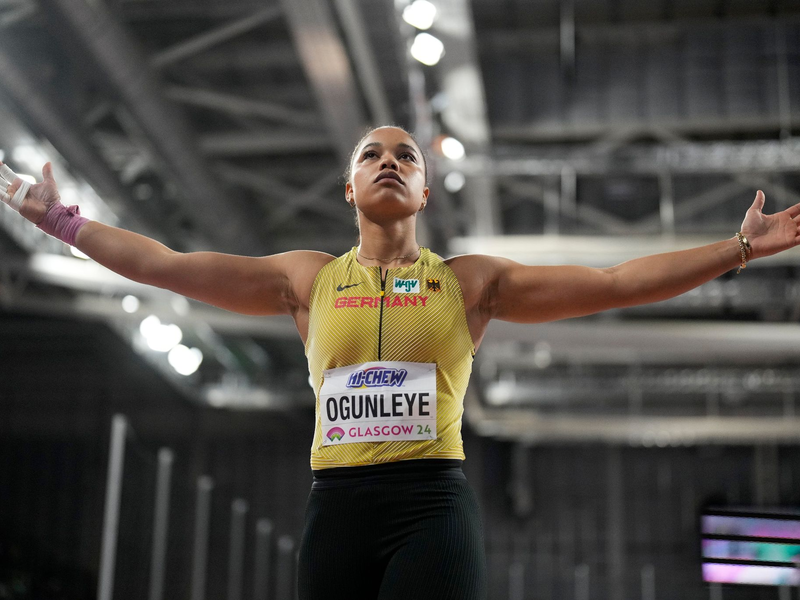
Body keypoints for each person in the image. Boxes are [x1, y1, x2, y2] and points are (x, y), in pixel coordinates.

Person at [3, 125, 800, 599]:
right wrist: (63, 221)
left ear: (423, 192)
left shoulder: (469, 284)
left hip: (431, 508)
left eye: (407, 156)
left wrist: (737, 250)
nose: (390, 160)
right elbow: (164, 265)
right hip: (336, 509)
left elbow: (617, 282)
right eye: (371, 154)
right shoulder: (306, 279)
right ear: (349, 187)